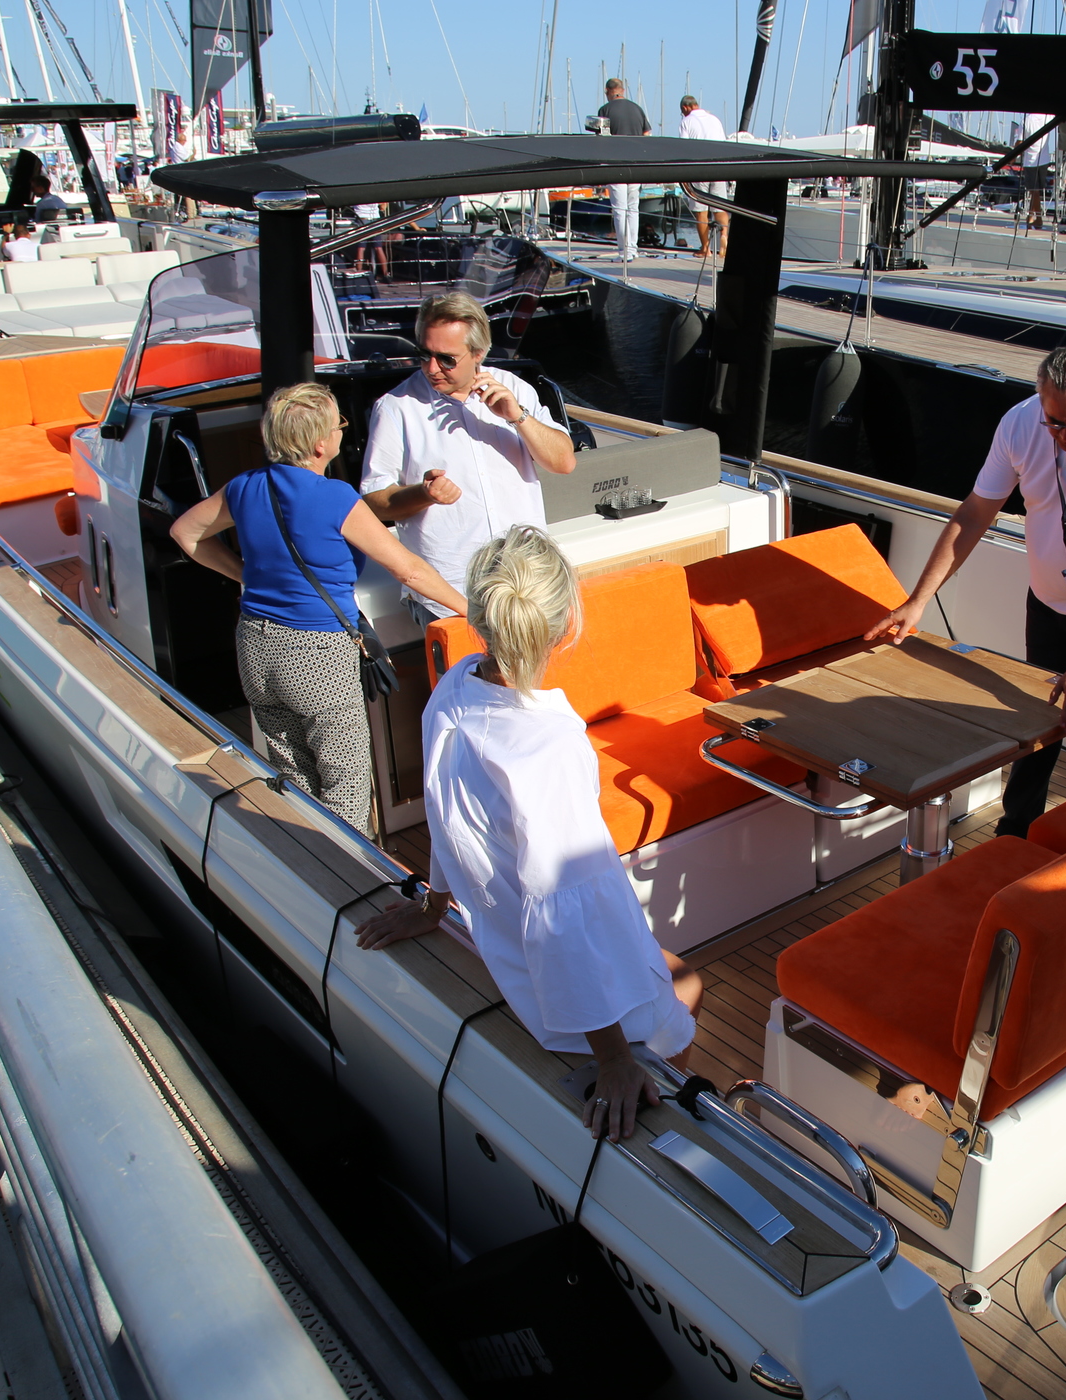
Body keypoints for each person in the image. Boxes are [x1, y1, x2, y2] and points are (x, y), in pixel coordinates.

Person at [352, 526, 704, 1144]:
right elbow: (564, 909)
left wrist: (433, 907)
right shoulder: (549, 745)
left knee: (678, 972)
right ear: (564, 625)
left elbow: (446, 815)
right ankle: (695, 1126)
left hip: (512, 957)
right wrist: (613, 1058)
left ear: (479, 619)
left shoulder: (455, 687)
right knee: (690, 987)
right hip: (575, 1012)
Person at [865, 342, 1066, 839]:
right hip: (1047, 596)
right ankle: (1014, 835)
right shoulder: (1021, 423)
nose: (1065, 437)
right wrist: (917, 601)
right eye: (1055, 422)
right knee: (1034, 718)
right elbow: (974, 514)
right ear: (1040, 401)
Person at [168, 384, 465, 834]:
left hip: (255, 646)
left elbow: (186, 534)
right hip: (316, 655)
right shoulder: (334, 497)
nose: (343, 430)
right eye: (338, 424)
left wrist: (244, 575)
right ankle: (350, 869)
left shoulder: (244, 487)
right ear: (320, 444)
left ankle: (308, 856)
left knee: (294, 775)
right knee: (345, 784)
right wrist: (471, 610)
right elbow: (409, 570)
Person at [359, 292, 577, 626]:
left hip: (526, 583)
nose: (432, 368)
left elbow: (563, 462)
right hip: (450, 593)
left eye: (446, 359)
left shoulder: (513, 389)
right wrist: (424, 494)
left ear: (478, 354)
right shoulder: (396, 408)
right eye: (424, 354)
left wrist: (517, 416)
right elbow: (374, 501)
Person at [597, 78, 651, 260]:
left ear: (607, 91)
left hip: (616, 165)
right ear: (623, 90)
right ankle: (633, 249)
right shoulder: (637, 109)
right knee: (633, 208)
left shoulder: (605, 110)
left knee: (619, 209)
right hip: (636, 166)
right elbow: (647, 134)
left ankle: (624, 251)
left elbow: (601, 139)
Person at [677, 94, 732, 257]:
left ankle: (705, 249)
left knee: (701, 210)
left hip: (699, 169)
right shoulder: (715, 120)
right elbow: (724, 143)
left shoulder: (686, 122)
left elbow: (684, 148)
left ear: (685, 108)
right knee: (719, 207)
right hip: (719, 167)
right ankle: (724, 236)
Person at [350, 202, 390, 281]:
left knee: (361, 248)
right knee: (378, 248)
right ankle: (386, 274)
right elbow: (383, 206)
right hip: (375, 219)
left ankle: (358, 272)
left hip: (362, 218)